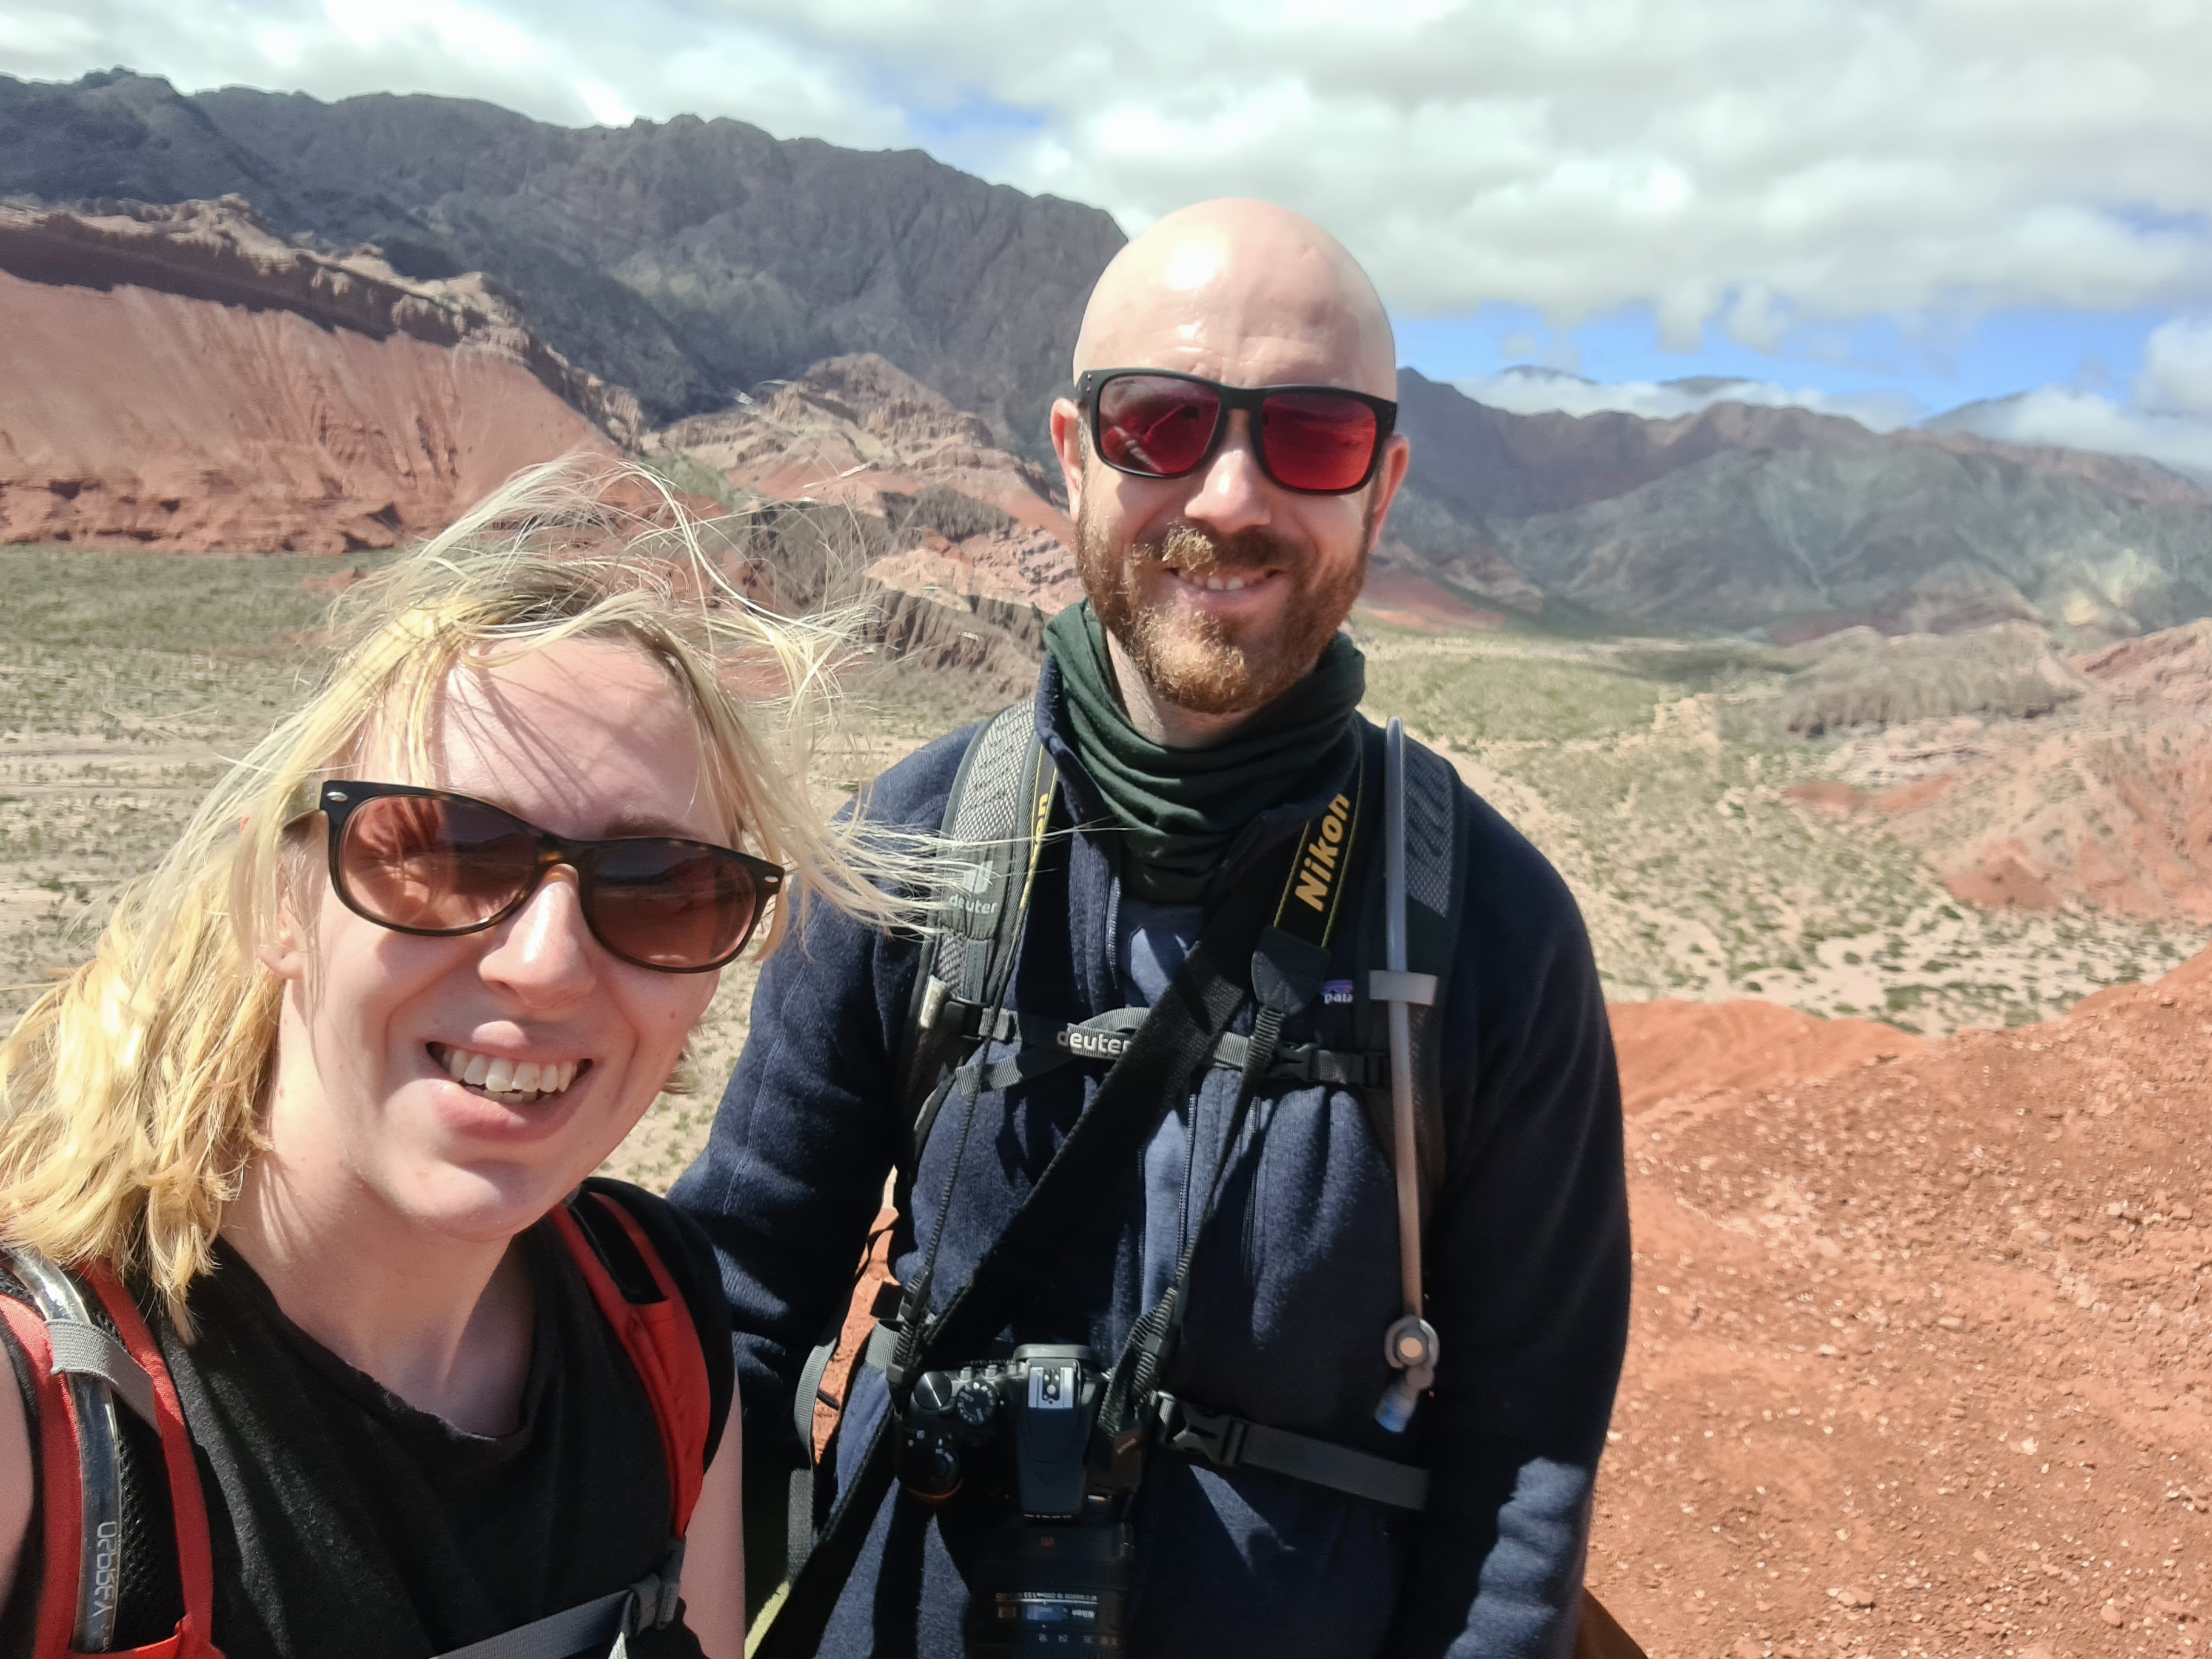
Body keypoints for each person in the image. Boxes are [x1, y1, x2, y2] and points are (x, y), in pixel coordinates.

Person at [673, 199, 1632, 1657]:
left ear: (1383, 487)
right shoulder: (910, 850)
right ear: (1073, 455)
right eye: (1162, 424)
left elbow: (1526, 1465)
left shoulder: (1492, 929)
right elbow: (736, 1320)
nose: (1232, 496)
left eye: (1312, 437)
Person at [0, 463, 913, 1659]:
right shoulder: (44, 1420)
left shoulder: (660, 1322)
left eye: (663, 889)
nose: (547, 964)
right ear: (278, 898)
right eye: (443, 854)